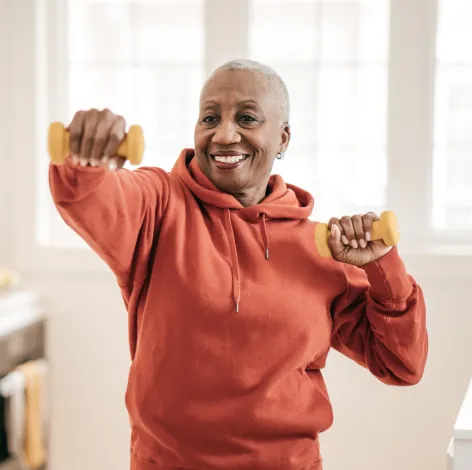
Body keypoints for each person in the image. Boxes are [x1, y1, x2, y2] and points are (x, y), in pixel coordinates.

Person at [49, 59, 428, 470]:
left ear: (282, 139)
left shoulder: (321, 248)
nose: (224, 134)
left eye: (247, 118)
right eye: (210, 117)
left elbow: (401, 364)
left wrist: (383, 268)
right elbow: (89, 197)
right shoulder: (159, 206)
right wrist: (85, 160)